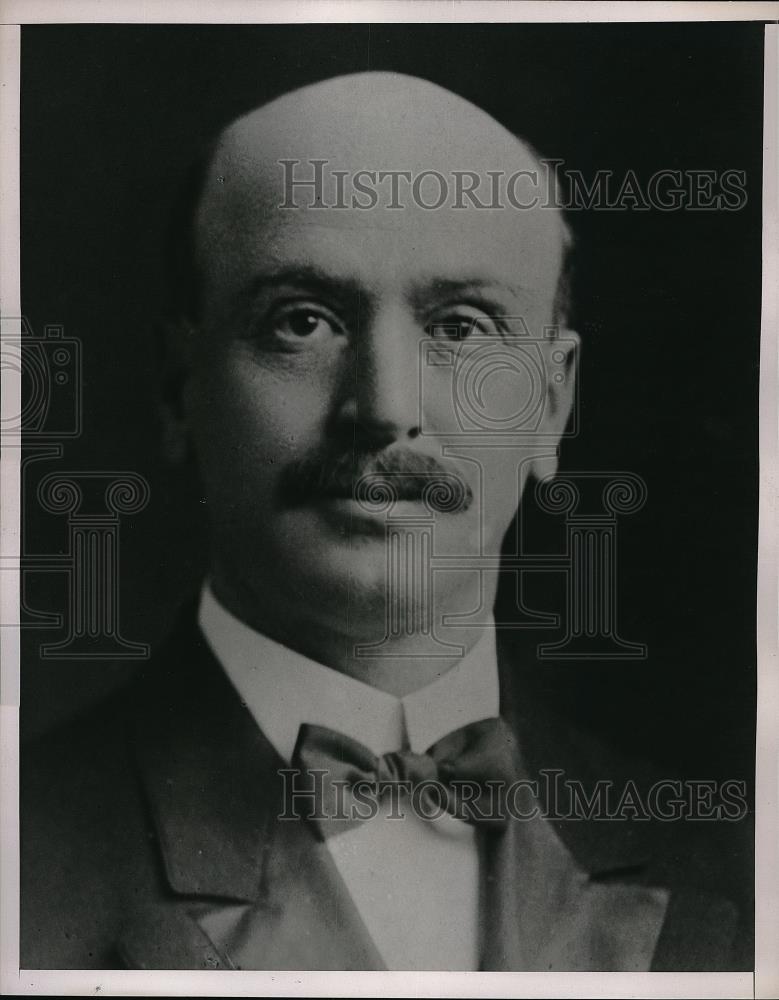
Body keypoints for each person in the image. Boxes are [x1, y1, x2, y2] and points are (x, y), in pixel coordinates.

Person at [20, 71, 752, 971]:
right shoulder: (26, 854)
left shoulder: (740, 864)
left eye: (463, 327)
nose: (385, 406)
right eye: (302, 322)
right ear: (181, 388)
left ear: (550, 406)